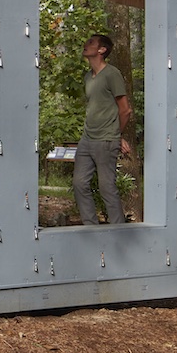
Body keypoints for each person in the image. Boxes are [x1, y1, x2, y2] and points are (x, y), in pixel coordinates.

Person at [72, 33, 133, 226]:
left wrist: (117, 135)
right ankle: (91, 228)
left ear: (102, 50)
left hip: (106, 140)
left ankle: (118, 231)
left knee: (107, 188)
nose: (85, 44)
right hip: (87, 138)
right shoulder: (88, 77)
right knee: (79, 183)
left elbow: (125, 110)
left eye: (91, 42)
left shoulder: (112, 74)